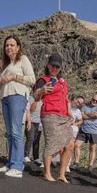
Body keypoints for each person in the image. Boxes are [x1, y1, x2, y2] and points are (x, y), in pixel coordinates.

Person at [0, 35, 36, 178]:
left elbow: (32, 79)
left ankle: (18, 166)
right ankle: (11, 163)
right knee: (10, 132)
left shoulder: (23, 60)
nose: (9, 48)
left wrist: (13, 77)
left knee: (16, 130)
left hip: (17, 96)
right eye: (7, 45)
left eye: (12, 45)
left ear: (18, 47)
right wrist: (1, 80)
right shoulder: (7, 65)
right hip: (6, 97)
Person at [33, 53, 74, 183]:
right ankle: (47, 172)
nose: (55, 69)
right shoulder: (43, 80)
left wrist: (70, 112)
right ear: (48, 65)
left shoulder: (62, 82)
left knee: (69, 144)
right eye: (53, 66)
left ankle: (62, 174)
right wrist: (41, 91)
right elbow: (35, 97)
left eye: (57, 66)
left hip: (64, 116)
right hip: (50, 115)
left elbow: (65, 98)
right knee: (51, 143)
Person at [74, 93, 97, 168]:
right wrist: (91, 115)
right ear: (91, 99)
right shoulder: (84, 107)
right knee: (77, 145)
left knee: (92, 148)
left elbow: (96, 115)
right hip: (83, 129)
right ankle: (76, 162)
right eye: (94, 100)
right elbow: (82, 115)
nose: (95, 101)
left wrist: (86, 114)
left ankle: (90, 165)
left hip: (94, 131)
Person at [68, 95, 85, 168]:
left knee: (70, 146)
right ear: (75, 99)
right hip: (62, 127)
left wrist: (75, 123)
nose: (77, 103)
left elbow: (81, 120)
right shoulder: (67, 105)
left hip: (71, 129)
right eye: (77, 101)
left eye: (80, 103)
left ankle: (67, 164)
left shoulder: (77, 111)